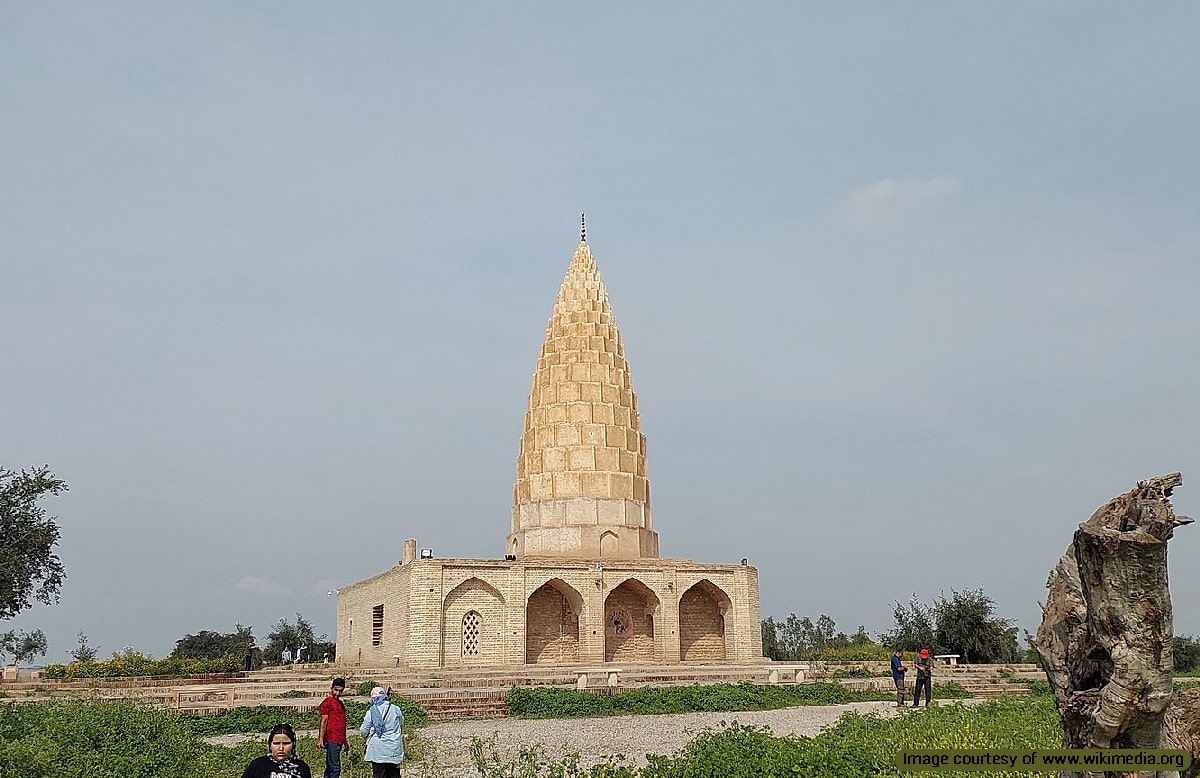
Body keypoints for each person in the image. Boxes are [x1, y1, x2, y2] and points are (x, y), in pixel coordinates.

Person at [360, 686, 404, 778]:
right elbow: (401, 722)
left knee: (379, 774)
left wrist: (367, 737)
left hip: (378, 751)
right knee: (394, 774)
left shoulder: (371, 712)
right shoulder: (395, 709)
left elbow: (364, 730)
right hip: (394, 749)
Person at [241, 722, 312, 778]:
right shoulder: (258, 765)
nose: (281, 748)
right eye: (276, 743)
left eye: (286, 743)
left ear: (293, 744)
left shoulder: (301, 767)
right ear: (270, 745)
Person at [317, 678, 349, 778]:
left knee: (330, 767)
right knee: (335, 768)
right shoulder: (327, 703)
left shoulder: (340, 704)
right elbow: (324, 721)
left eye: (340, 691)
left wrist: (345, 742)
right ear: (331, 688)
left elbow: (342, 724)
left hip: (339, 739)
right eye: (336, 690)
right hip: (331, 739)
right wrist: (321, 739)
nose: (338, 693)